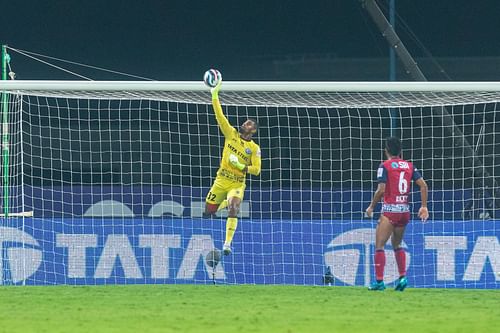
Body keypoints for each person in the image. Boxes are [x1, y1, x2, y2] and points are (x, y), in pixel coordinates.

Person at [204, 79, 261, 256]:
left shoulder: (254, 148)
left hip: (237, 183)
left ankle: (227, 244)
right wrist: (214, 95)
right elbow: (219, 116)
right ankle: (218, 207)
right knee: (209, 211)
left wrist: (242, 166)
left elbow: (257, 170)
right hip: (221, 179)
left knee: (234, 207)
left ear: (253, 131)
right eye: (245, 122)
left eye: (249, 123)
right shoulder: (231, 134)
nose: (245, 123)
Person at [365, 137, 428, 291]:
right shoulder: (409, 166)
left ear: (386, 150)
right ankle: (402, 278)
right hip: (404, 211)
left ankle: (379, 282)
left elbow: (381, 190)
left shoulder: (384, 166)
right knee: (397, 244)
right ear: (400, 151)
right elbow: (423, 185)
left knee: (379, 245)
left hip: (390, 211)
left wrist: (371, 207)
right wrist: (424, 206)